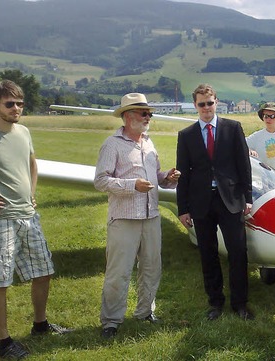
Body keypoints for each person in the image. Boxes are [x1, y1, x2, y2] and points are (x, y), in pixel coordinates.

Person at [0, 80, 71, 359]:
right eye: (10, 104)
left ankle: (40, 325)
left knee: (43, 271)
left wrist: (32, 193)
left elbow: (32, 163)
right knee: (0, 281)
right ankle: (4, 343)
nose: (16, 108)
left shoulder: (23, 131)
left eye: (20, 103)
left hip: (28, 216)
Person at [94, 93, 180, 339]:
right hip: (124, 218)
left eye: (149, 113)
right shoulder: (112, 144)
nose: (148, 117)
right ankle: (111, 321)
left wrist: (167, 177)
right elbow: (100, 181)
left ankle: (145, 312)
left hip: (151, 216)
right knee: (119, 271)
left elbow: (155, 178)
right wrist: (133, 185)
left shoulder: (149, 142)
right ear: (128, 116)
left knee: (152, 268)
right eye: (144, 113)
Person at [176, 84, 254, 321]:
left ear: (216, 102)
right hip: (201, 202)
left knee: (238, 252)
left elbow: (244, 166)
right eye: (202, 104)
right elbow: (184, 174)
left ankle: (239, 303)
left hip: (230, 200)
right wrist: (183, 208)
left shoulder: (233, 128)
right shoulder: (186, 135)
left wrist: (247, 198)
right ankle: (215, 302)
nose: (206, 108)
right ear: (195, 106)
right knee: (207, 253)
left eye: (210, 103)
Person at [246, 102, 275, 179]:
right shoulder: (256, 136)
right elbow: (240, 145)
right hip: (268, 181)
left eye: (272, 116)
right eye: (266, 116)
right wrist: (248, 150)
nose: (268, 119)